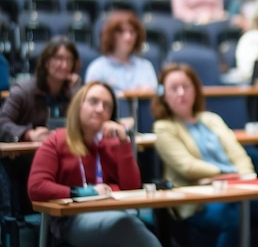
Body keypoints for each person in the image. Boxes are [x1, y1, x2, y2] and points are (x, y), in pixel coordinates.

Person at [151, 63, 258, 247]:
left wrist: (241, 176)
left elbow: (240, 156)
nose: (181, 93)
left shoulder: (212, 119)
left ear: (195, 89)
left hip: (236, 190)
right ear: (163, 95)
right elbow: (188, 167)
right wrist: (225, 175)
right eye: (174, 88)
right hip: (200, 199)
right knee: (231, 216)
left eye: (186, 86)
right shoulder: (163, 128)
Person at [28, 81, 162, 247]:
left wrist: (123, 141)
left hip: (114, 211)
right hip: (72, 219)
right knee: (125, 226)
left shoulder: (113, 144)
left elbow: (131, 188)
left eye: (107, 106)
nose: (100, 109)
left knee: (132, 223)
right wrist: (86, 192)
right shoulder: (57, 140)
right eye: (93, 102)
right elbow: (36, 187)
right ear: (79, 105)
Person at [0, 36, 81, 216]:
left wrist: (76, 90)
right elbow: (2, 122)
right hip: (23, 163)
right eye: (58, 59)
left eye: (69, 60)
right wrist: (27, 134)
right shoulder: (23, 90)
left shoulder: (71, 93)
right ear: (46, 62)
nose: (64, 65)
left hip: (62, 161)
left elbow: (82, 123)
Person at [85, 10, 157, 95]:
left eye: (132, 32)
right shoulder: (97, 68)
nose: (128, 37)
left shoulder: (146, 66)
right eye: (121, 32)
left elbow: (153, 95)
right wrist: (137, 92)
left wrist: (122, 94)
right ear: (110, 35)